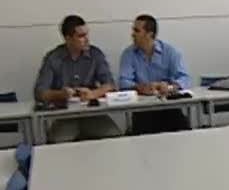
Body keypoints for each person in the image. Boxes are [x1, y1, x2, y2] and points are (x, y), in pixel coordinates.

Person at [34, 15, 121, 143]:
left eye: (87, 34)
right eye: (81, 36)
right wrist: (61, 94)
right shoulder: (53, 58)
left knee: (116, 136)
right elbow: (40, 92)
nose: (87, 39)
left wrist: (93, 94)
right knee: (57, 143)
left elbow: (110, 84)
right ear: (68, 38)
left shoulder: (95, 54)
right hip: (65, 116)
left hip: (92, 114)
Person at [118, 14, 192, 134]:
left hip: (169, 107)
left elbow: (185, 78)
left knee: (185, 134)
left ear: (149, 34)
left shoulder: (170, 51)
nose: (132, 34)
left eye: (137, 31)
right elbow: (123, 82)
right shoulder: (128, 54)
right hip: (142, 110)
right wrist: (141, 87)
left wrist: (169, 87)